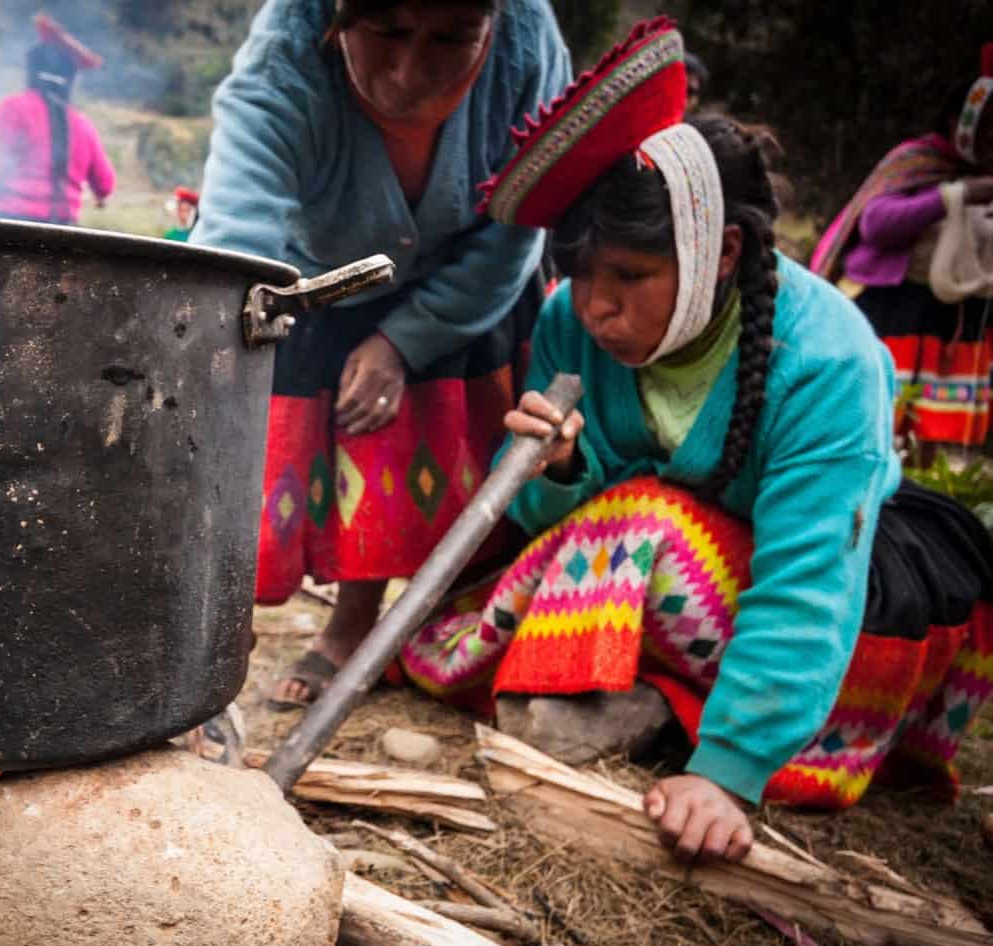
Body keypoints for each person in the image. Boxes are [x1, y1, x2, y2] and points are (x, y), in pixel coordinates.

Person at [398, 18, 993, 863]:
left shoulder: (829, 358)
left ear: (723, 255)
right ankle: (653, 701)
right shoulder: (571, 318)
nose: (596, 308)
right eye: (581, 273)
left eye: (631, 278)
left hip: (846, 607)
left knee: (644, 521)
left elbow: (811, 581)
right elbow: (544, 518)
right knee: (619, 526)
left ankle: (702, 724)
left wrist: (728, 774)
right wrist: (558, 468)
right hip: (689, 586)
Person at [189, 0, 571, 708]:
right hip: (319, 279)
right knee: (310, 431)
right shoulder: (283, 62)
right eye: (387, 33)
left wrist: (405, 342)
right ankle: (260, 622)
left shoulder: (529, 46)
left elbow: (522, 221)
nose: (408, 70)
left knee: (426, 455)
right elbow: (238, 245)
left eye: (450, 37)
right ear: (337, 20)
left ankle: (388, 624)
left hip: (474, 279)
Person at [811, 44, 993, 458]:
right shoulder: (916, 162)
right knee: (884, 431)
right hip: (895, 310)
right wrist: (953, 196)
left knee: (942, 441)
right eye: (987, 128)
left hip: (956, 324)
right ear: (959, 121)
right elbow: (876, 224)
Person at [0, 14, 116, 226]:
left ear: (32, 70)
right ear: (70, 80)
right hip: (64, 235)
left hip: (6, 229)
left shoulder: (13, 109)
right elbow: (105, 185)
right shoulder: (81, 124)